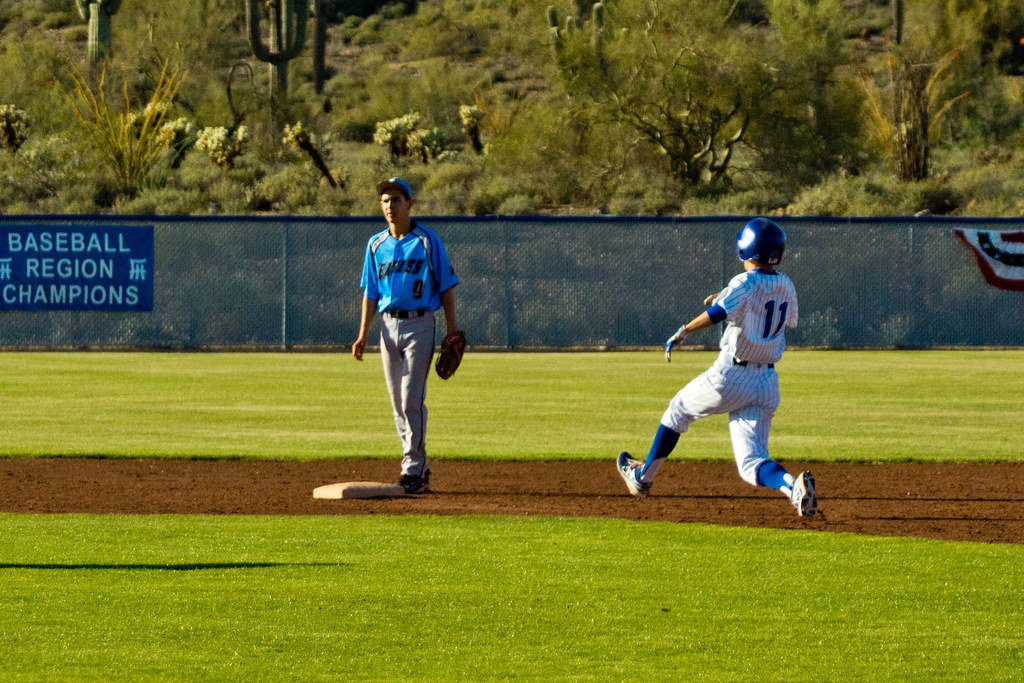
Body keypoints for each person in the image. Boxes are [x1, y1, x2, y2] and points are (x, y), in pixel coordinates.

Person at [615, 217, 817, 517]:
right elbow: (774, 311)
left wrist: (685, 330)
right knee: (752, 463)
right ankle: (792, 487)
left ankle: (642, 478)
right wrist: (727, 297)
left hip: (731, 376)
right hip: (766, 382)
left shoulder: (743, 282)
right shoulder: (786, 284)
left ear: (747, 249)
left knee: (677, 411)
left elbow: (720, 312)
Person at [353, 177, 460, 494]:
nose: (390, 206)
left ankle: (412, 468)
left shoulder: (427, 240)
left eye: (396, 200)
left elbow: (446, 286)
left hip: (420, 324)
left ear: (410, 204)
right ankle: (417, 465)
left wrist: (452, 329)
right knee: (397, 403)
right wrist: (363, 334)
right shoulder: (375, 245)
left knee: (412, 398)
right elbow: (371, 293)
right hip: (387, 327)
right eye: (385, 200)